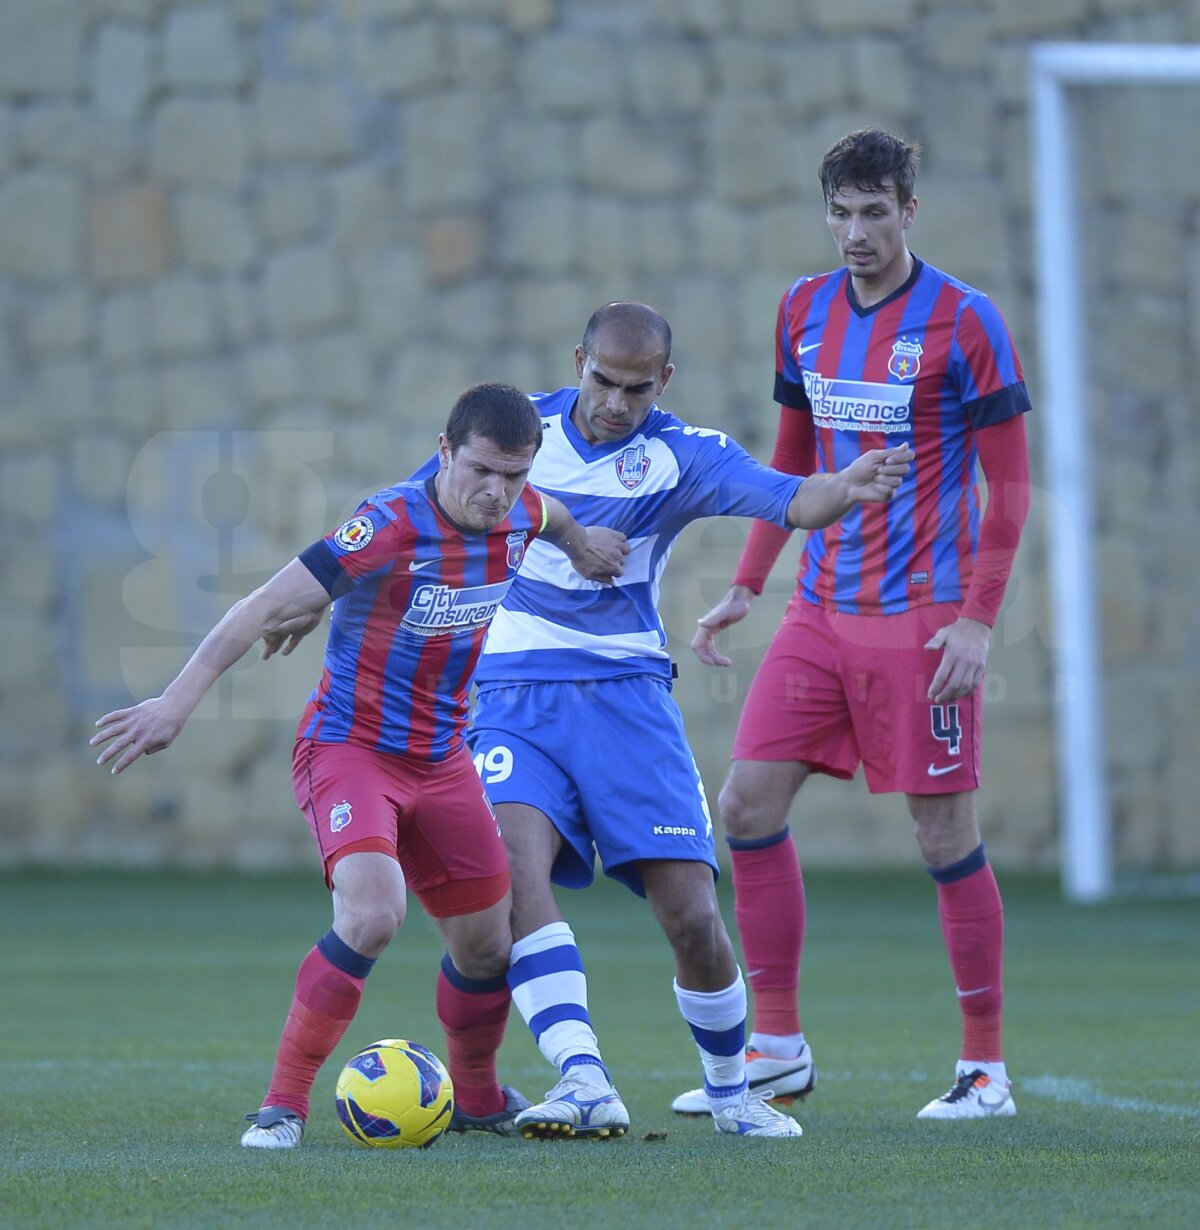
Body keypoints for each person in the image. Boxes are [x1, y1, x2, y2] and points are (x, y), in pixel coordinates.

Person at [90, 382, 629, 1147]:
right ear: (443, 451)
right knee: (374, 913)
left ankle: (476, 1098)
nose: (495, 492)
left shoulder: (525, 512)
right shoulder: (387, 524)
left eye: (513, 476)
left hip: (443, 761)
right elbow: (259, 607)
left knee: (487, 945)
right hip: (351, 751)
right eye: (480, 470)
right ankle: (281, 1106)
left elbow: (556, 516)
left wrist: (581, 546)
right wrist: (175, 704)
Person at [444, 302, 912, 1140]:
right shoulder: (520, 433)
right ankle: (583, 1078)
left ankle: (734, 1097)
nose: (617, 401)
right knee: (519, 882)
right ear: (577, 359)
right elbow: (437, 500)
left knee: (692, 915)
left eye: (635, 386)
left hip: (628, 702)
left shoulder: (683, 454)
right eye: (602, 380)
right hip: (512, 696)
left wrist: (841, 490)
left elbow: (789, 501)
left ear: (664, 380)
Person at [671, 127, 1032, 1122]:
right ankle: (776, 1045)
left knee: (940, 830)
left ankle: (985, 1069)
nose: (856, 233)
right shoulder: (802, 309)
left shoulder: (966, 321)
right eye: (841, 212)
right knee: (742, 808)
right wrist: (750, 581)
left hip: (923, 624)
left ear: (910, 210)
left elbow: (1009, 487)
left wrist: (977, 622)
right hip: (819, 615)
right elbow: (794, 457)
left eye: (876, 212)